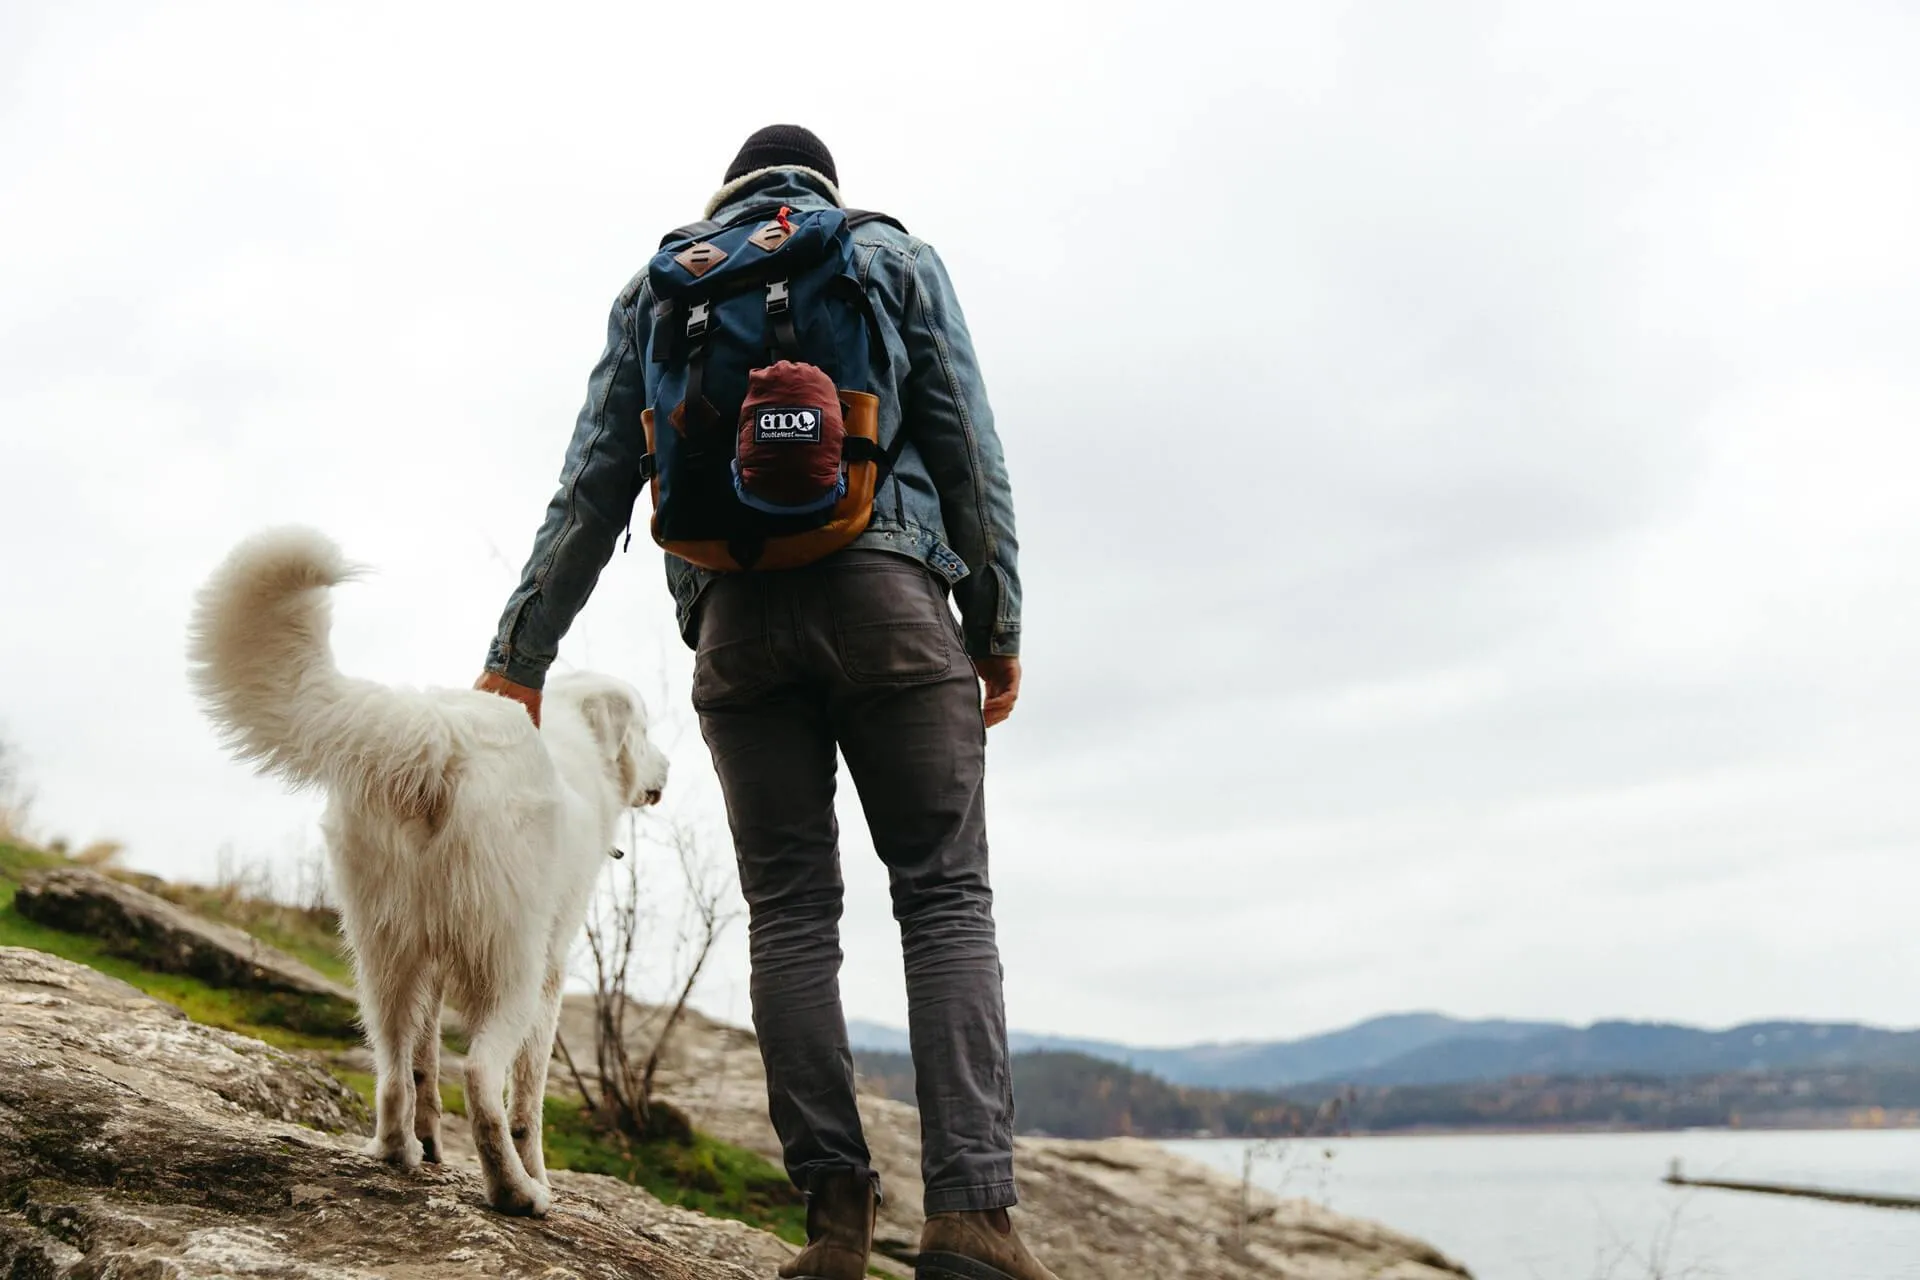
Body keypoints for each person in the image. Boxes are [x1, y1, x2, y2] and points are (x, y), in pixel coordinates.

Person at [476, 125, 1053, 1280]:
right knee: (942, 900)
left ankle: (835, 1227)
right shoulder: (884, 255)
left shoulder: (661, 287)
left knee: (793, 914)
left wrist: (518, 657)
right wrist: (995, 627)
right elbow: (967, 451)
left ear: (726, 192)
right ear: (821, 187)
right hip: (892, 602)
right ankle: (970, 1222)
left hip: (738, 631)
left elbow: (592, 486)